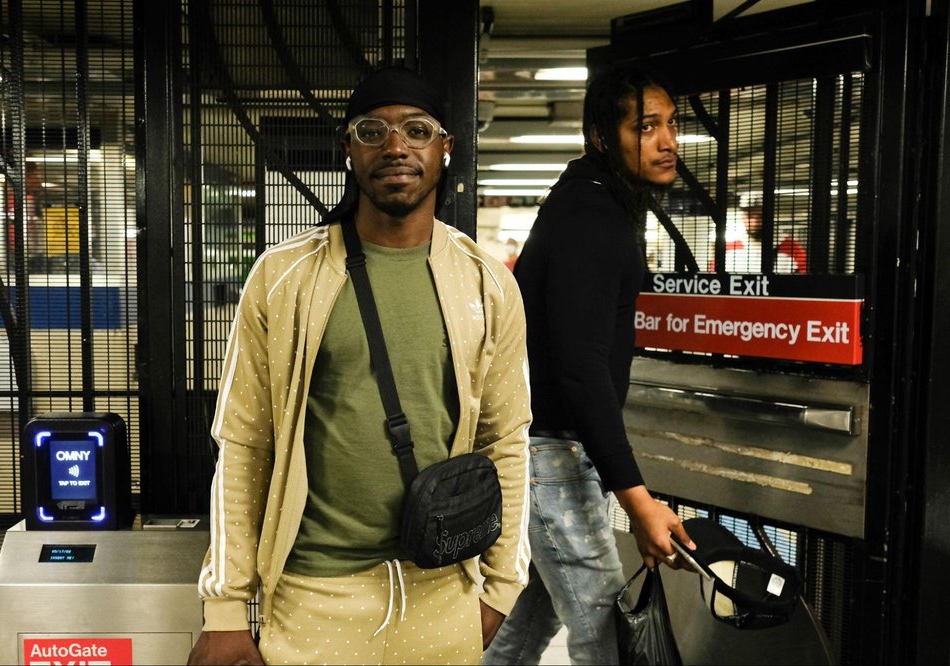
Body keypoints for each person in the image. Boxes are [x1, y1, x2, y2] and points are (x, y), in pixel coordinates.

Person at [188, 66, 532, 666]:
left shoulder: (486, 284)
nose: (395, 146)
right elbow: (244, 443)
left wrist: (500, 591)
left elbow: (507, 438)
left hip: (441, 594)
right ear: (348, 150)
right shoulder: (284, 277)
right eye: (373, 131)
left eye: (417, 130)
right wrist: (225, 608)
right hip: (314, 596)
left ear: (445, 148)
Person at [483, 65, 696, 665]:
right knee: (608, 635)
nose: (666, 141)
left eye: (671, 124)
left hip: (548, 454)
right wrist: (638, 500)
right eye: (645, 126)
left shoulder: (591, 202)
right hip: (551, 458)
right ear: (604, 137)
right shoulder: (593, 218)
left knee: (520, 635)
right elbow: (580, 368)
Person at [723, 202, 808, 273]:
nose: (755, 223)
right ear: (743, 217)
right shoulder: (729, 248)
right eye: (750, 216)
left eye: (760, 216)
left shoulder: (791, 248)